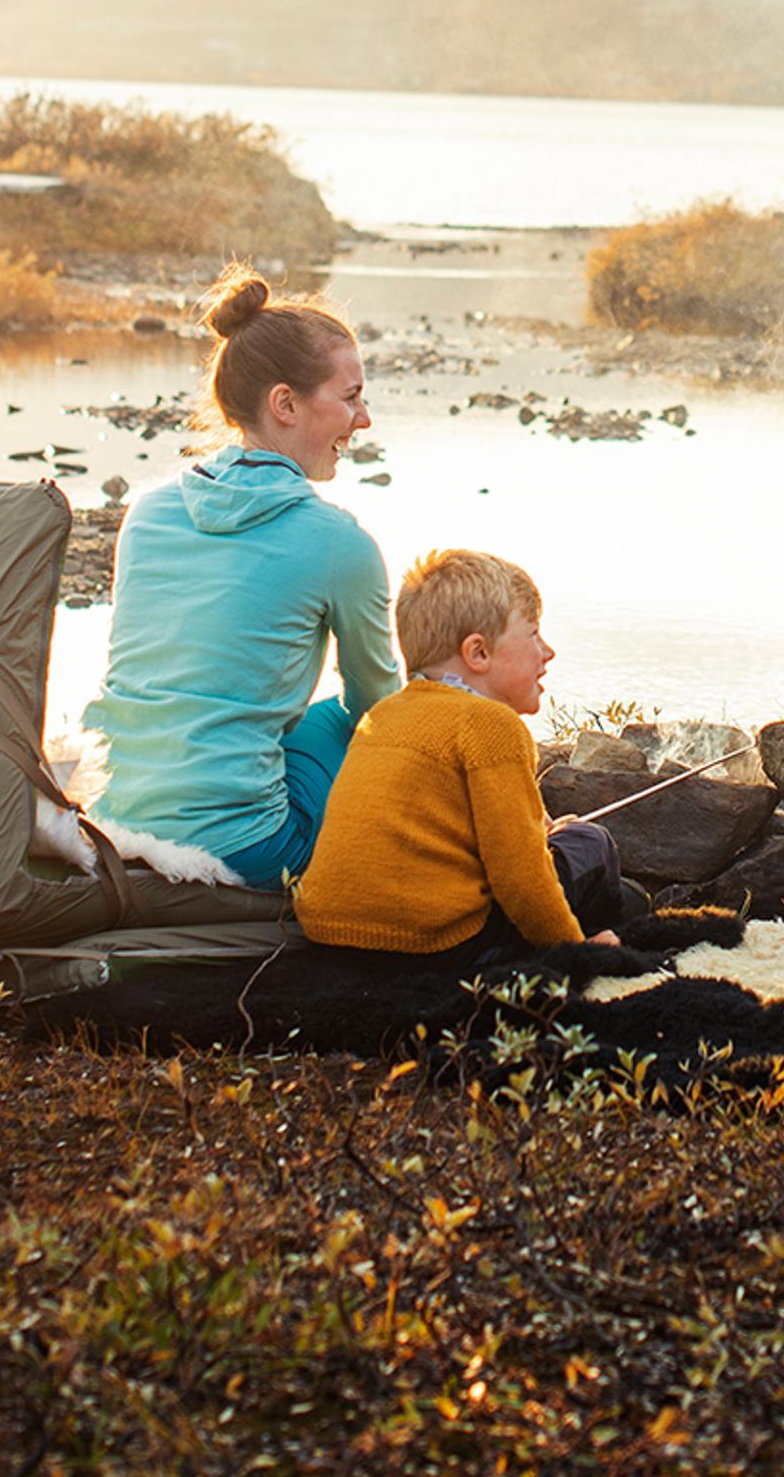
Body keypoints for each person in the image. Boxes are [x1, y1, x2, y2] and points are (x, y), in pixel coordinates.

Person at [80, 266, 401, 889]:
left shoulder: (146, 512)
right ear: (285, 403)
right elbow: (378, 710)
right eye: (352, 396)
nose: (363, 420)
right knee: (339, 717)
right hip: (248, 850)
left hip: (114, 822)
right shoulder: (339, 543)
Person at [293, 549, 630, 958]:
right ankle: (606, 936)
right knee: (591, 842)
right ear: (478, 653)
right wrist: (575, 951)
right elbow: (521, 878)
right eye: (534, 634)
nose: (548, 652)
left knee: (568, 848)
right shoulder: (492, 726)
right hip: (434, 944)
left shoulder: (384, 714)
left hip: (332, 933)